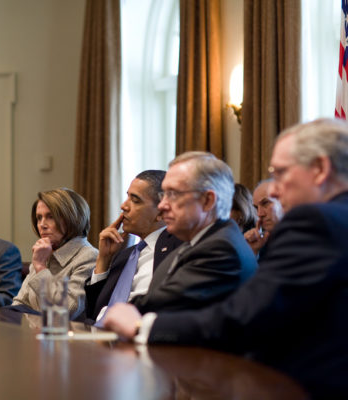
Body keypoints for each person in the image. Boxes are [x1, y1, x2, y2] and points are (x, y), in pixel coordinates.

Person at [103, 118, 348, 398]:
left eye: (280, 173)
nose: (275, 190)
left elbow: (245, 317)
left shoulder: (317, 221)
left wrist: (141, 326)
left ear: (319, 169)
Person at [129, 152, 257, 314]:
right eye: (164, 194)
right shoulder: (194, 243)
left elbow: (162, 306)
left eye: (173, 194)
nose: (162, 205)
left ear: (207, 201)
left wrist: (123, 311)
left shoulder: (221, 248)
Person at [84, 170, 183, 325]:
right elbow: (93, 313)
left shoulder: (177, 250)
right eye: (127, 197)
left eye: (135, 200)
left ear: (161, 212)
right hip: (99, 336)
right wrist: (103, 260)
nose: (124, 206)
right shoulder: (126, 255)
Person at [10, 188, 98, 319]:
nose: (42, 225)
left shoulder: (89, 256)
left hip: (68, 337)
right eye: (39, 218)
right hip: (33, 334)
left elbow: (67, 310)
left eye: (50, 217)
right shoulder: (45, 252)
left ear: (72, 218)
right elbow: (20, 304)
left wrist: (40, 267)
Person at [243, 179, 284, 254]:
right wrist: (253, 252)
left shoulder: (304, 236)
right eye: (256, 208)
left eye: (265, 203)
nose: (259, 214)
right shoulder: (262, 242)